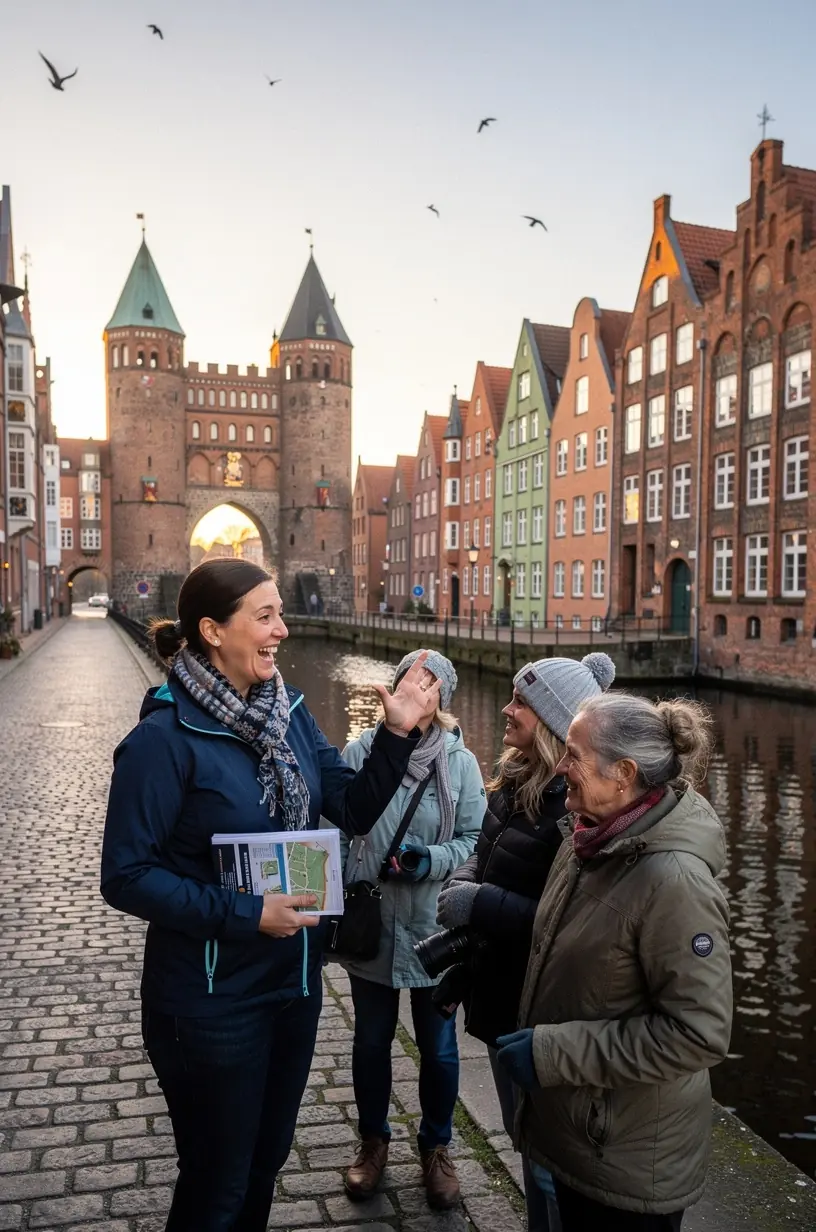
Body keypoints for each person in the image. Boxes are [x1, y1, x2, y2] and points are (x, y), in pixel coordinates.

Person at [100, 559, 441, 1232]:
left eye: (280, 613)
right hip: (209, 1002)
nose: (282, 629)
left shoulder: (286, 711)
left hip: (293, 984)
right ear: (212, 630)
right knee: (216, 1184)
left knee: (264, 1164)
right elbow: (126, 874)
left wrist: (397, 732)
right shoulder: (162, 741)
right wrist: (247, 911)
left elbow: (349, 804)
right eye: (264, 616)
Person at [496, 693, 732, 1232]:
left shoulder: (675, 882)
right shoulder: (589, 839)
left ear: (623, 774)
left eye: (573, 754)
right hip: (581, 1132)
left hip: (626, 1157)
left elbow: (699, 1034)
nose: (559, 767)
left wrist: (554, 1052)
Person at [436, 653, 615, 1232]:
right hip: (502, 997)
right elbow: (484, 858)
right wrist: (466, 883)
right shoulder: (515, 780)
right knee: (523, 1139)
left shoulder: (571, 811)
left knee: (545, 1163)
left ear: (554, 720)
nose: (508, 709)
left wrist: (477, 902)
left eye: (521, 702)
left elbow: (573, 921)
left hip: (542, 1010)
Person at [340, 650, 485, 1210]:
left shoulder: (461, 764)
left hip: (433, 928)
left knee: (440, 1050)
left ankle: (436, 1148)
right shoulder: (362, 750)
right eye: (406, 677)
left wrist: (430, 859)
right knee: (371, 1042)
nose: (412, 686)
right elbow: (338, 820)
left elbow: (474, 840)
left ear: (440, 700)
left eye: (427, 682)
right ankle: (373, 1143)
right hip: (372, 926)